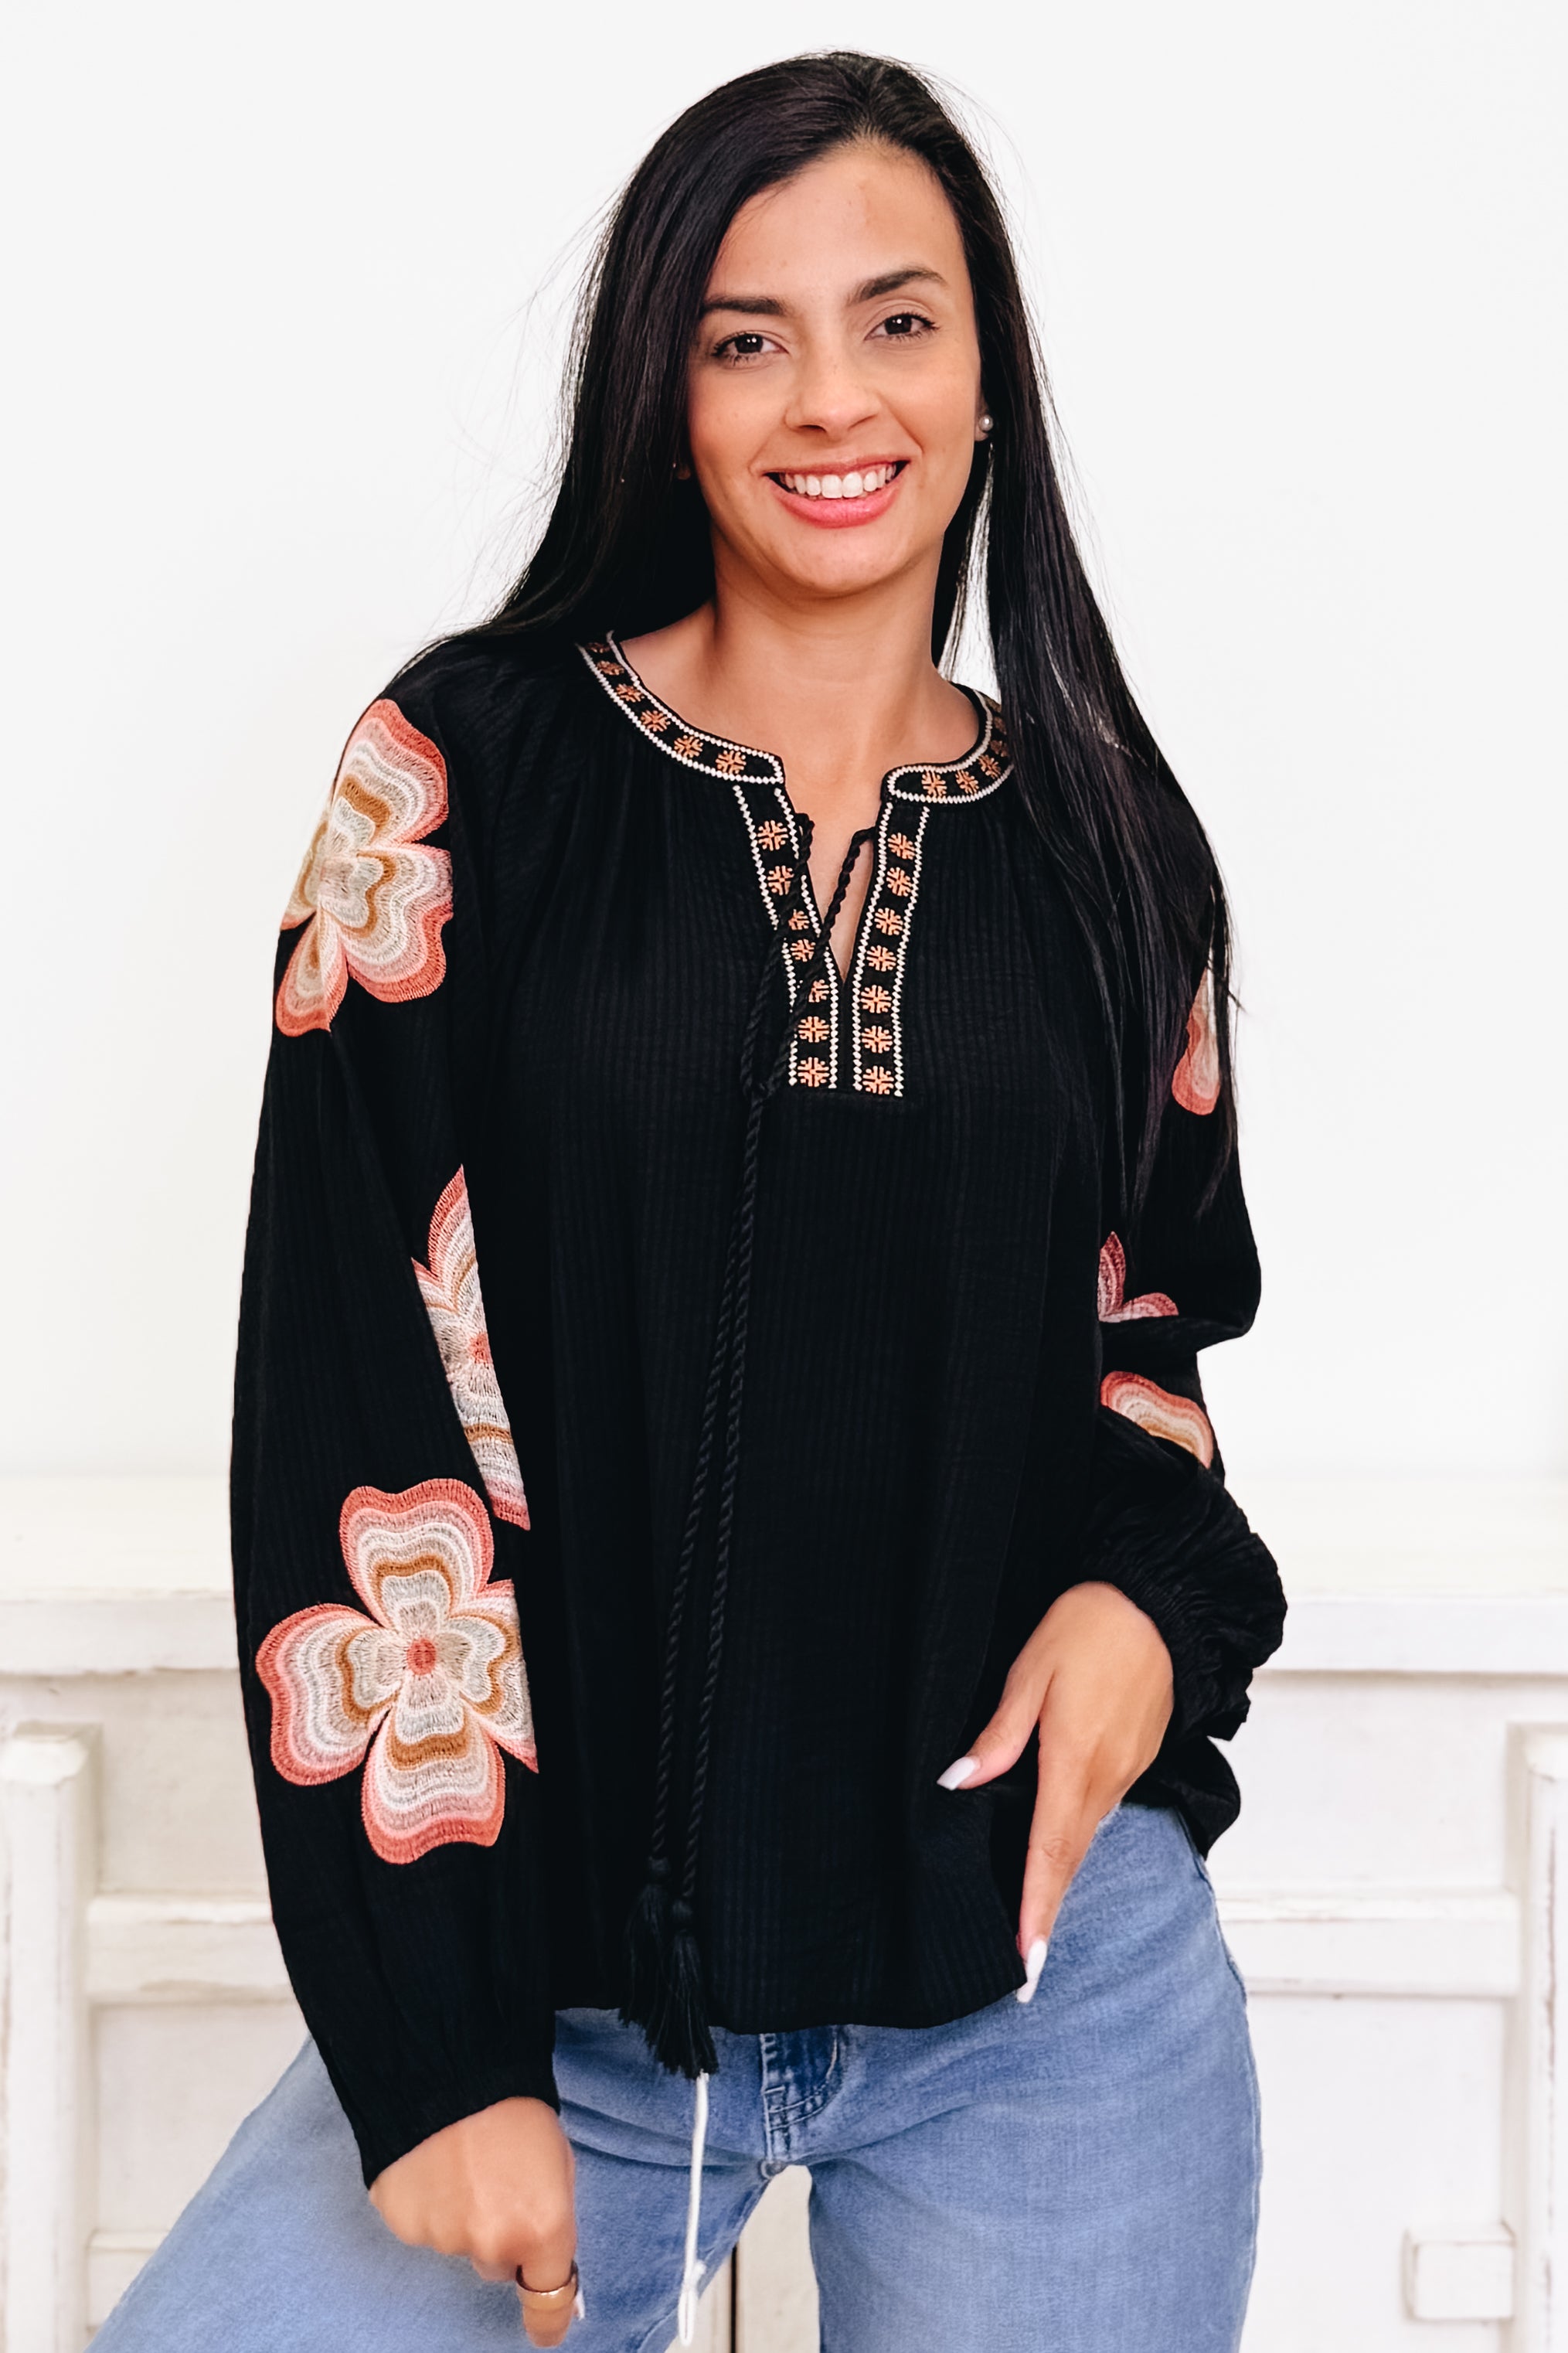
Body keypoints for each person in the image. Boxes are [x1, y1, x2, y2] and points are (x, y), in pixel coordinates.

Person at [94, 50, 1285, 2353]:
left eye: (897, 320)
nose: (832, 397)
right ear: (667, 399)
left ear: (989, 376)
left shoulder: (1117, 858)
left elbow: (1149, 1352)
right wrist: (443, 2049)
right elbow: (350, 1384)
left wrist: (1148, 1608)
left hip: (1052, 1990)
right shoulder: (463, 777)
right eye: (750, 338)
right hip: (569, 2003)